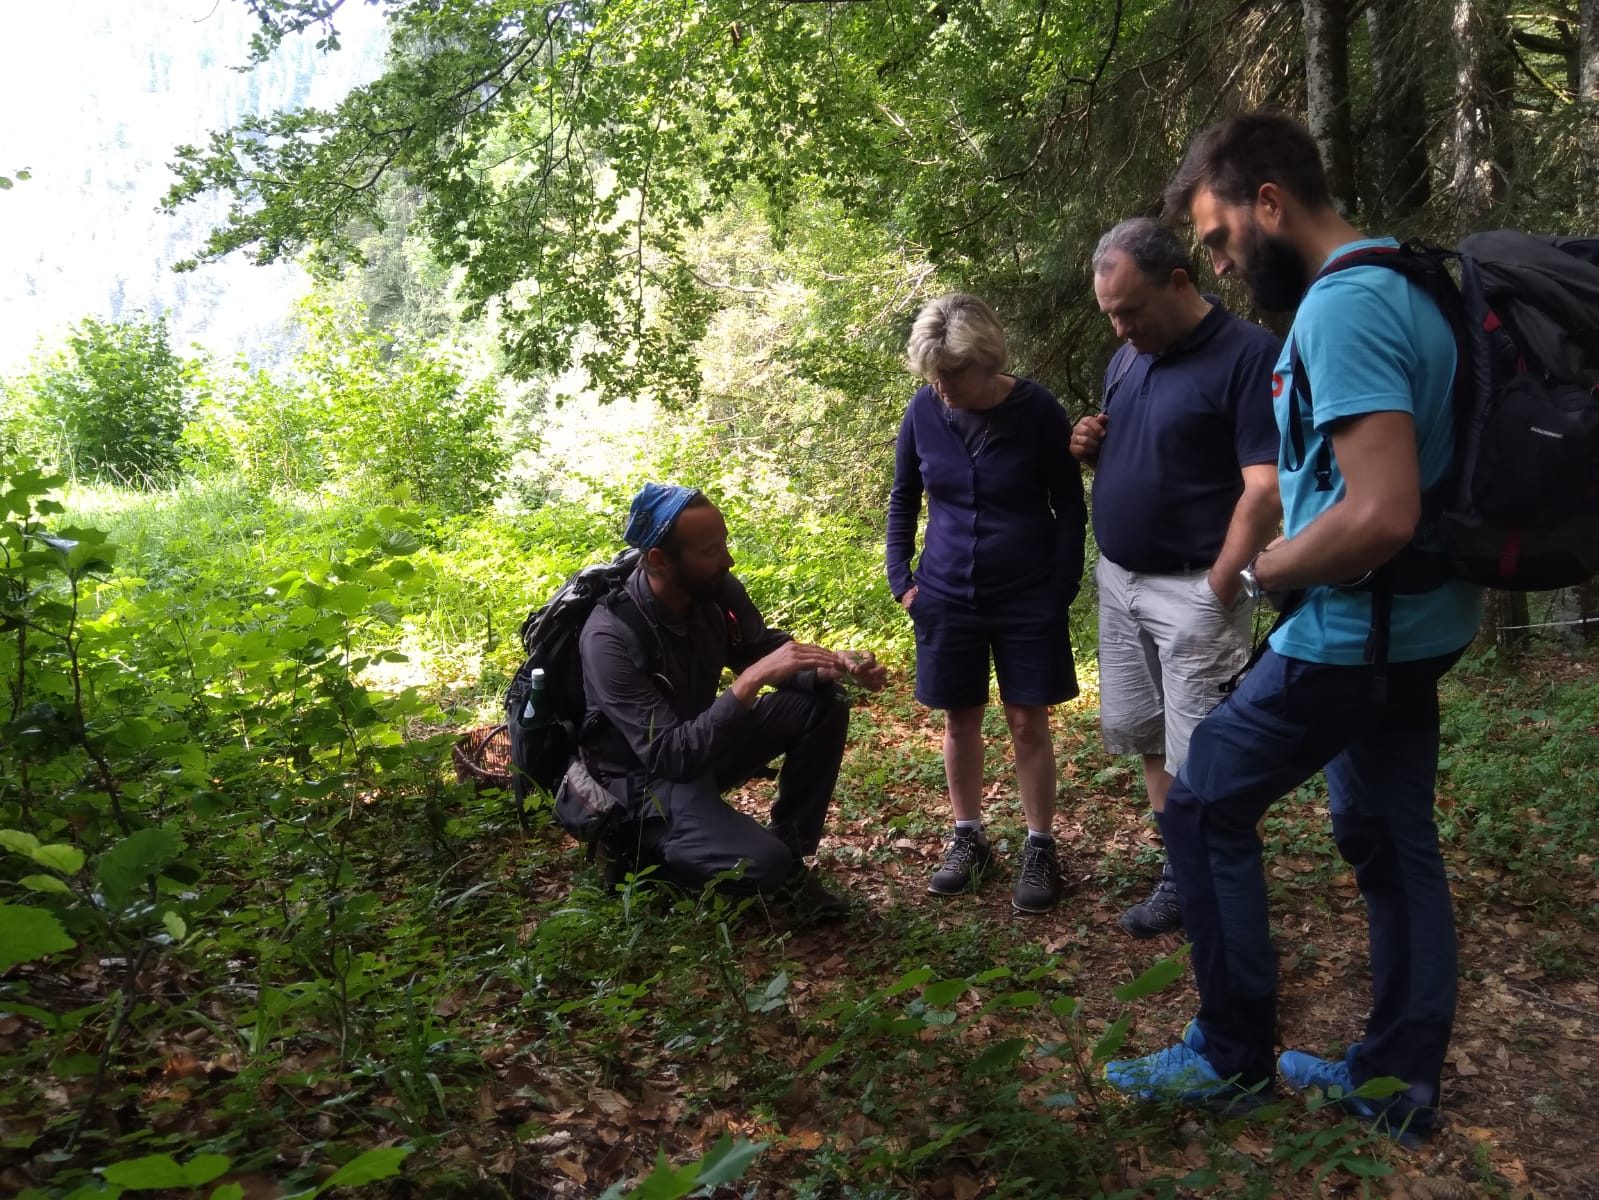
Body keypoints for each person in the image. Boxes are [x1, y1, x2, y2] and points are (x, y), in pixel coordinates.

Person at [1102, 112, 1483, 1142]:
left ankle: (1230, 1057)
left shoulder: (1345, 309)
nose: (1219, 262)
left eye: (1220, 237)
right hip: (1415, 622)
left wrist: (1271, 566)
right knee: (1390, 838)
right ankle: (1394, 1081)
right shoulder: (1411, 282)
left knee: (1202, 803)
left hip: (1354, 632)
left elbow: (1380, 510)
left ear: (1268, 204)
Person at [1071, 218, 1282, 939]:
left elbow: (1265, 488)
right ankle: (1179, 873)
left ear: (1180, 282)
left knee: (1203, 756)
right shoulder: (1129, 358)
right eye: (1111, 316)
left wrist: (1220, 587)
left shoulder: (1248, 356)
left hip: (1195, 589)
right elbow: (1154, 453)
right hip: (1121, 580)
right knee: (1150, 739)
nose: (1122, 328)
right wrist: (1090, 446)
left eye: (1132, 310)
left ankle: (1213, 887)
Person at [577, 483, 888, 919]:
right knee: (762, 865)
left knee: (823, 705)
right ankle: (645, 853)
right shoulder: (608, 638)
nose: (727, 559)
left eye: (723, 543)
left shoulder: (713, 590)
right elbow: (670, 755)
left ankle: (791, 859)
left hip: (702, 743)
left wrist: (830, 665)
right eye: (710, 551)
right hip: (646, 782)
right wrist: (750, 683)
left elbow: (758, 650)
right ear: (659, 561)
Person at [887, 293, 1086, 913]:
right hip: (945, 596)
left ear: (987, 359)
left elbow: (1070, 510)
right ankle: (968, 837)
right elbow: (903, 500)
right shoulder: (923, 411)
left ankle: (1039, 844)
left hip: (1028, 596)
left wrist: (1059, 590)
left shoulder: (1037, 411)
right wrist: (904, 580)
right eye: (934, 375)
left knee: (1029, 721)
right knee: (959, 718)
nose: (942, 387)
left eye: (953, 374)